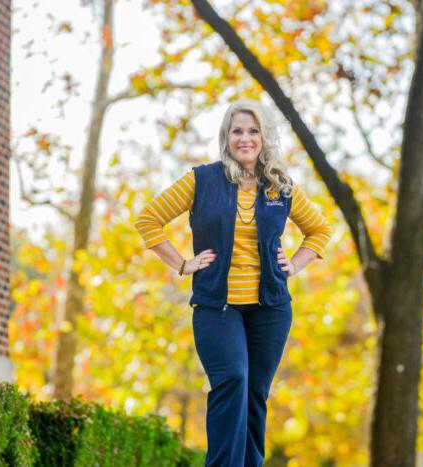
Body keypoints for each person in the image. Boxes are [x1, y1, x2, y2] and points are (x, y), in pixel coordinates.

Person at [134, 99, 332, 466]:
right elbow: (148, 219)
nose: (245, 138)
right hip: (216, 308)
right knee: (233, 382)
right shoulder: (202, 179)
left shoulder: (280, 187)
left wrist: (295, 265)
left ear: (263, 137)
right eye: (238, 130)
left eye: (253, 131)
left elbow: (320, 229)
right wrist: (182, 263)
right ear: (226, 137)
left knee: (255, 394)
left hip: (271, 309)